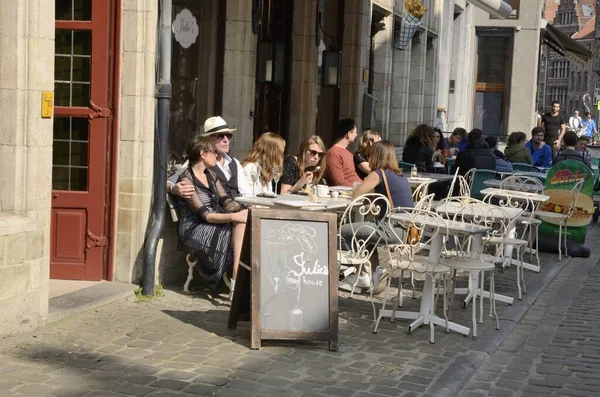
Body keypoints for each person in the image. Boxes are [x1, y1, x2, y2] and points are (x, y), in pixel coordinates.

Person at [174, 136, 248, 300]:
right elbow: (204, 215)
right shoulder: (187, 179)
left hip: (214, 221)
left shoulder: (211, 174)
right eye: (214, 152)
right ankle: (237, 278)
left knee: (244, 222)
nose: (216, 156)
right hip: (194, 229)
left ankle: (238, 279)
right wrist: (235, 216)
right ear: (202, 154)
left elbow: (226, 200)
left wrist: (243, 209)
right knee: (240, 224)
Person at [341, 140, 414, 288]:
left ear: (375, 156)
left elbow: (356, 196)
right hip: (406, 228)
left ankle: (360, 274)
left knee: (343, 232)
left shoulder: (378, 173)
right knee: (365, 235)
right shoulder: (399, 175)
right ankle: (376, 273)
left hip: (390, 229)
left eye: (369, 155)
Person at [167, 116, 252, 199]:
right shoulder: (199, 162)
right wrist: (174, 188)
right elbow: (169, 182)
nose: (226, 140)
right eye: (221, 136)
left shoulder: (235, 163)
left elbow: (246, 194)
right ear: (209, 139)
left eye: (228, 136)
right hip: (217, 211)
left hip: (237, 208)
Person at [325, 118, 362, 186]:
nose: (356, 135)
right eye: (355, 132)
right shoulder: (333, 153)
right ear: (349, 134)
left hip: (358, 190)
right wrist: (360, 189)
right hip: (348, 193)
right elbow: (339, 181)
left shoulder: (348, 153)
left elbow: (352, 175)